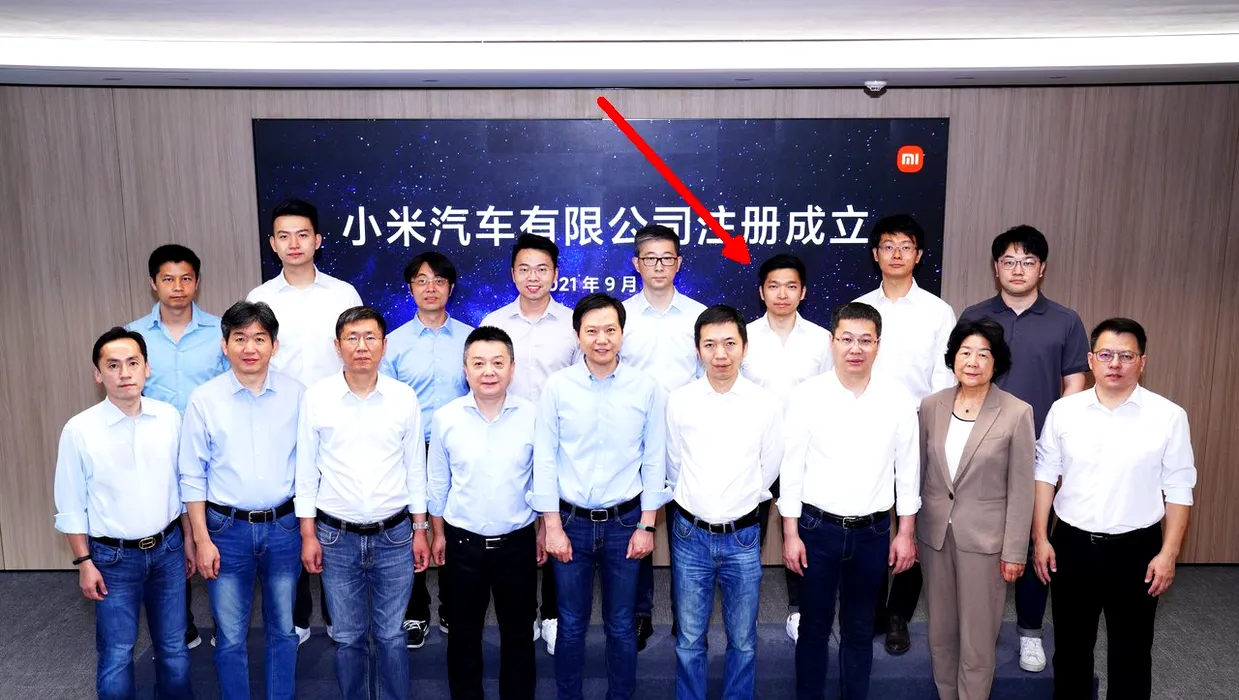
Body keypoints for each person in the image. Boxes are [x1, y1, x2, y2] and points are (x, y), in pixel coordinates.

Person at [1033, 318, 1196, 700]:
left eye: (1126, 356)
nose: (1115, 364)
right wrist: (1040, 538)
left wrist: (1169, 554)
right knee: (1071, 651)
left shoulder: (1168, 416)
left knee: (1132, 654)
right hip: (1072, 545)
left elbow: (1179, 488)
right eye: (1106, 355)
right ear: (1091, 360)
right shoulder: (1064, 411)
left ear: (1142, 362)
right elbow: (1045, 475)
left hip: (1137, 551)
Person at [959, 224, 1089, 672]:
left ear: (1042, 268)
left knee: (1035, 540)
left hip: (1039, 452)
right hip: (980, 448)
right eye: (1009, 261)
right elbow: (963, 376)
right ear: (996, 268)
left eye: (1027, 261)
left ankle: (1030, 632)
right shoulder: (975, 315)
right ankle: (976, 628)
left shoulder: (1065, 321)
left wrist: (1059, 444)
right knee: (978, 539)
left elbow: (1074, 384)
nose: (1018, 269)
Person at [780, 302, 919, 700]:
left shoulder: (897, 398)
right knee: (813, 629)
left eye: (865, 340)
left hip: (872, 533)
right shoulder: (807, 395)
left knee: (860, 630)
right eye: (847, 339)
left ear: (878, 345)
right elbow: (791, 469)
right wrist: (790, 533)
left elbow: (908, 471)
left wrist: (905, 533)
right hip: (816, 530)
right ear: (832, 341)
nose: (855, 348)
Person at [533, 293, 669, 700]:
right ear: (578, 336)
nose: (601, 339)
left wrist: (647, 525)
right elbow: (545, 459)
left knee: (622, 624)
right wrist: (551, 526)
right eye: (591, 331)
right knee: (570, 624)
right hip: (570, 523)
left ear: (622, 333)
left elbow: (654, 459)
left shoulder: (646, 388)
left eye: (610, 329)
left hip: (626, 523)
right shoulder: (558, 387)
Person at [296, 306, 430, 700]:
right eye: (352, 338)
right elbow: (306, 472)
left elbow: (415, 470)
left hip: (395, 535)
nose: (361, 346)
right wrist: (308, 534)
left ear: (384, 345)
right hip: (336, 537)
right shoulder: (317, 398)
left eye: (370, 337)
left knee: (391, 635)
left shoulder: (403, 398)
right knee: (348, 636)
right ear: (337, 346)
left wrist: (420, 530)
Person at [53, 327, 194, 700]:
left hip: (168, 550)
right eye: (113, 365)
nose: (124, 373)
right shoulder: (79, 430)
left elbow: (182, 486)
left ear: (147, 368)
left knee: (174, 647)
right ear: (98, 374)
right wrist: (84, 562)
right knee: (117, 654)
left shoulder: (169, 418)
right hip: (112, 559)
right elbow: (70, 503)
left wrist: (190, 540)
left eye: (132, 363)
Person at [248, 198, 362, 640]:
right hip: (279, 420)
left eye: (302, 235)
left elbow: (358, 352)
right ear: (272, 243)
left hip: (337, 418)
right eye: (284, 236)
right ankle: (297, 617)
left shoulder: (343, 294)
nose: (293, 243)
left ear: (317, 240)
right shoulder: (260, 298)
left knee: (333, 514)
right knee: (289, 518)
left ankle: (338, 616)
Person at [180, 301, 304, 700]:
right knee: (230, 635)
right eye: (240, 338)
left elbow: (309, 467)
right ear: (225, 345)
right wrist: (201, 539)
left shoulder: (298, 395)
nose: (249, 348)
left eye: (259, 339)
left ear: (274, 345)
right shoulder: (204, 399)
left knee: (283, 629)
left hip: (284, 527)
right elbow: (192, 475)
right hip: (225, 530)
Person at [853, 215, 957, 655]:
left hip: (919, 425)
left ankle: (899, 614)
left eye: (906, 246)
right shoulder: (859, 307)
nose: (896, 254)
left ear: (918, 255)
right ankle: (872, 608)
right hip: (866, 427)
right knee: (872, 518)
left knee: (915, 517)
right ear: (875, 254)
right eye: (888, 246)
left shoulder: (938, 312)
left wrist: (933, 430)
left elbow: (944, 377)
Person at [667, 305, 782, 700]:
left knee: (743, 640)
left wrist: (741, 498)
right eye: (710, 344)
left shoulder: (765, 403)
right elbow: (674, 464)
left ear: (745, 347)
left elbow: (770, 466)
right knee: (689, 639)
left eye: (730, 343)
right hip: (690, 534)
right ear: (698, 349)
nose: (720, 354)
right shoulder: (680, 401)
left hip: (743, 536)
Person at [917, 319, 1035, 700]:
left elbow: (1022, 489)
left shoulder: (1016, 412)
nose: (973, 361)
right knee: (941, 634)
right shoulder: (931, 406)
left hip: (986, 544)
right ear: (953, 358)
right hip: (935, 537)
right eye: (965, 352)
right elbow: (921, 473)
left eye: (983, 354)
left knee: (977, 641)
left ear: (996, 362)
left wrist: (1015, 551)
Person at [428, 326, 542, 700]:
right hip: (463, 544)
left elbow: (542, 478)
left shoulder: (533, 416)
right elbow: (438, 483)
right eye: (478, 363)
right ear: (465, 369)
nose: (488, 371)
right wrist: (437, 533)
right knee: (463, 635)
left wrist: (544, 528)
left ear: (512, 368)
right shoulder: (445, 418)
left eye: (497, 363)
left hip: (517, 542)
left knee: (519, 635)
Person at [126, 243, 228, 649]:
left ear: (197, 282)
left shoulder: (220, 331)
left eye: (186, 278)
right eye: (168, 279)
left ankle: (226, 624)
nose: (178, 287)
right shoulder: (133, 335)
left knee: (216, 531)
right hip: (158, 449)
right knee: (169, 534)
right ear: (153, 283)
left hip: (213, 449)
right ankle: (181, 625)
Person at [481, 233, 579, 654]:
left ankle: (553, 614)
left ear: (555, 274)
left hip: (562, 442)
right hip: (509, 440)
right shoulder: (494, 323)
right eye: (524, 268)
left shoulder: (574, 325)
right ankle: (525, 615)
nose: (533, 277)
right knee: (520, 530)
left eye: (542, 269)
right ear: (513, 273)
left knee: (557, 526)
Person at [621, 223, 707, 650]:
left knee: (685, 530)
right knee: (639, 526)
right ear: (636, 264)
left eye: (666, 258)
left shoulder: (698, 316)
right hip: (633, 438)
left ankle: (684, 616)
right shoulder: (619, 317)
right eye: (650, 258)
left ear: (679, 263)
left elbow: (709, 375)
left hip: (686, 437)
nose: (658, 266)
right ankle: (640, 615)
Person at [382, 251, 473, 649]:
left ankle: (453, 607)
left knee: (455, 528)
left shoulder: (471, 338)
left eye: (438, 281)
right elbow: (386, 402)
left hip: (458, 445)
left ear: (450, 288)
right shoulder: (394, 343)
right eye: (422, 280)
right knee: (412, 530)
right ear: (410, 288)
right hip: (412, 447)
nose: (430, 288)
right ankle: (415, 612)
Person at [740, 254, 829, 642]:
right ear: (761, 292)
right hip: (753, 451)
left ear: (803, 292)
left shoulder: (822, 339)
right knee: (750, 530)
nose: (782, 294)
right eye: (773, 286)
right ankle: (743, 610)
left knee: (801, 532)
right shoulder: (743, 337)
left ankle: (798, 609)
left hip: (804, 451)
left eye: (791, 286)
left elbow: (829, 395)